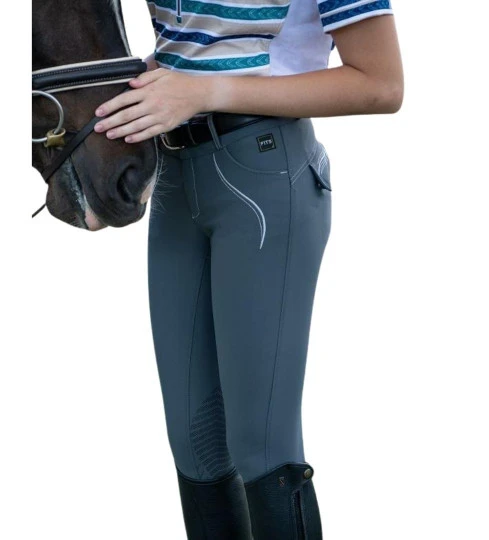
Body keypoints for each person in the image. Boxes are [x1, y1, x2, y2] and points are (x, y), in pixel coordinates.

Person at [93, 1, 404, 538]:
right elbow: (191, 45)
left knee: (262, 444)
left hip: (264, 175)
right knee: (195, 444)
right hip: (175, 174)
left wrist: (206, 92)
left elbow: (382, 84)